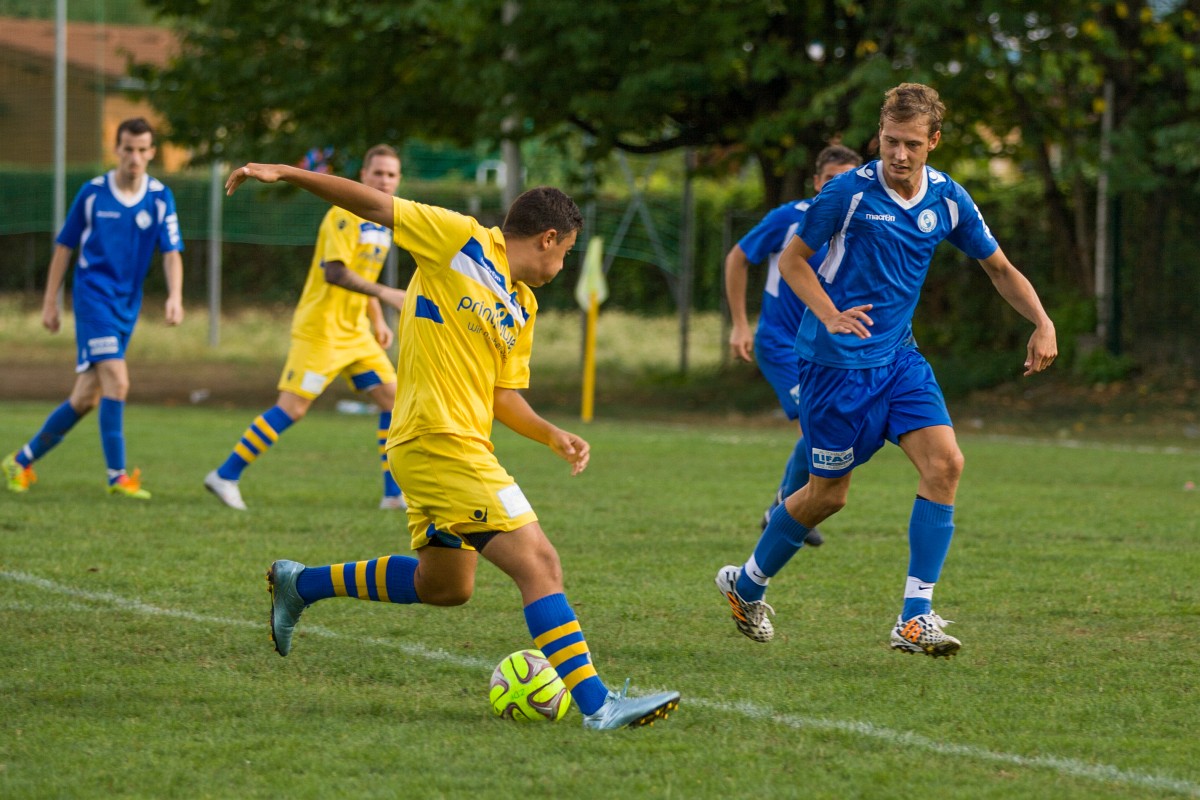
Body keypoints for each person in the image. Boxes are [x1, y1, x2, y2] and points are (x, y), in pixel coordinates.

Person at [224, 161, 681, 730]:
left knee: (445, 585)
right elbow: (372, 203)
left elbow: (503, 395)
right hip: (437, 442)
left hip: (455, 449)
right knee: (540, 563)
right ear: (548, 238)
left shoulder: (523, 305)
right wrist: (287, 173)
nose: (562, 266)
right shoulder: (459, 239)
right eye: (565, 253)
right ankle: (599, 705)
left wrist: (551, 434)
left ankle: (300, 583)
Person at [717, 83, 1058, 656]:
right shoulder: (847, 193)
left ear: (934, 142)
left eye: (911, 144)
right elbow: (795, 262)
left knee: (946, 463)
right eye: (890, 141)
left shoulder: (947, 200)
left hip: (899, 360)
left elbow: (999, 268)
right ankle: (746, 583)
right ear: (879, 135)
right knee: (827, 496)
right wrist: (830, 314)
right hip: (833, 368)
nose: (899, 154)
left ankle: (915, 617)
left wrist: (1042, 321)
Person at [204, 144, 408, 512]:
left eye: (391, 174)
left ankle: (393, 494)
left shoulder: (381, 223)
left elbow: (362, 275)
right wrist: (387, 294)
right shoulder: (343, 216)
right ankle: (225, 475)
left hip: (355, 333)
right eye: (378, 172)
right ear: (363, 175)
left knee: (393, 400)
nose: (384, 180)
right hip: (321, 330)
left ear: (398, 180)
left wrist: (377, 319)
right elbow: (337, 273)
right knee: (293, 409)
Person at [2, 117, 183, 500]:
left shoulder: (160, 196)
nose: (134, 157)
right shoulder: (93, 193)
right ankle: (118, 477)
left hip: (126, 305)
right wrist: (50, 302)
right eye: (128, 149)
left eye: (142, 150)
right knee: (118, 380)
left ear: (152, 152)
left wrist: (175, 296)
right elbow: (64, 247)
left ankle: (19, 461)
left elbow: (171, 253)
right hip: (93, 298)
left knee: (86, 397)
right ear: (117, 149)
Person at [725, 144, 863, 545]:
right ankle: (787, 507)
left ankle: (784, 505)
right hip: (782, 343)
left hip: (828, 349)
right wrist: (740, 324)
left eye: (847, 179)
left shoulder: (863, 226)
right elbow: (737, 258)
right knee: (818, 422)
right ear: (817, 182)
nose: (837, 186)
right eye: (830, 179)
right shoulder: (789, 218)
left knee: (833, 424)